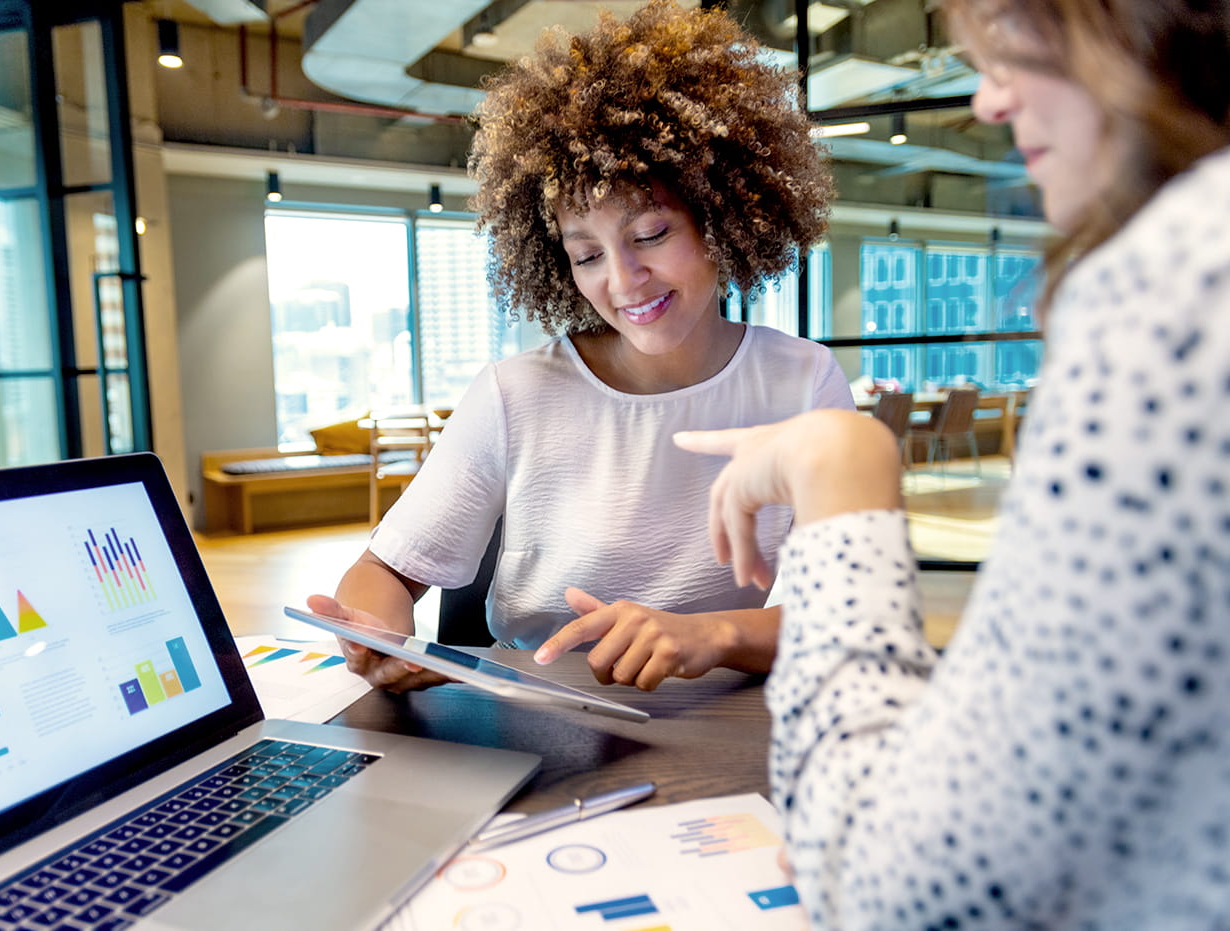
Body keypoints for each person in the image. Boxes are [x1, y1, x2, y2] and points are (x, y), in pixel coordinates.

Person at [673, 0, 1230, 926]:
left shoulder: (1175, 292)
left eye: (1018, 38)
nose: (988, 101)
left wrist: (839, 468)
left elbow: (902, 888)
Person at [311, 0, 850, 693]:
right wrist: (378, 634)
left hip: (725, 720)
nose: (622, 282)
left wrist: (711, 635)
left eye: (651, 235)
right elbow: (385, 571)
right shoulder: (515, 393)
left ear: (722, 216)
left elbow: (841, 616)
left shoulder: (803, 382)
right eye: (587, 254)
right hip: (533, 712)